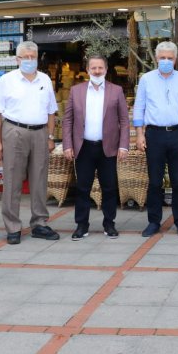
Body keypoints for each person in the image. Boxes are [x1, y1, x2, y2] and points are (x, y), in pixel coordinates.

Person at [0, 41, 60, 245]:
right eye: (25, 57)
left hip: (40, 133)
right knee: (12, 179)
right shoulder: (7, 80)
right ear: (17, 59)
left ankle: (39, 223)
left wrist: (50, 136)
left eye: (33, 57)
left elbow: (51, 111)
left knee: (40, 179)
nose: (29, 60)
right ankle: (12, 226)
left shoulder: (45, 79)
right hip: (14, 131)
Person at [62, 55, 130, 241]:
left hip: (108, 147)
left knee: (109, 187)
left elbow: (124, 120)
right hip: (83, 147)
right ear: (88, 70)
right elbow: (67, 120)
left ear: (106, 70)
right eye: (94, 68)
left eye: (100, 68)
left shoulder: (116, 91)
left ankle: (109, 224)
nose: (97, 71)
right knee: (83, 188)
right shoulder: (76, 91)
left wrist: (124, 145)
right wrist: (67, 145)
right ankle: (81, 225)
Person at [134, 41, 178, 238]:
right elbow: (139, 107)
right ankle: (153, 222)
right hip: (154, 134)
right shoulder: (146, 80)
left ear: (175, 60)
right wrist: (139, 134)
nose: (166, 61)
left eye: (170, 58)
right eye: (163, 58)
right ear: (156, 58)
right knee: (154, 181)